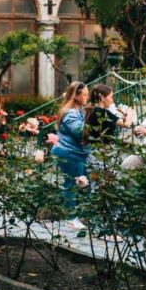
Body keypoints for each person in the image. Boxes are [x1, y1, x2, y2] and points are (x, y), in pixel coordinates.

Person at [50, 80, 90, 229]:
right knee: (71, 184)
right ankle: (71, 218)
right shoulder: (71, 113)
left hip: (76, 152)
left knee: (83, 183)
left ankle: (80, 215)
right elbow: (80, 133)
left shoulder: (79, 110)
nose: (87, 97)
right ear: (76, 96)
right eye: (84, 95)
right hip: (69, 153)